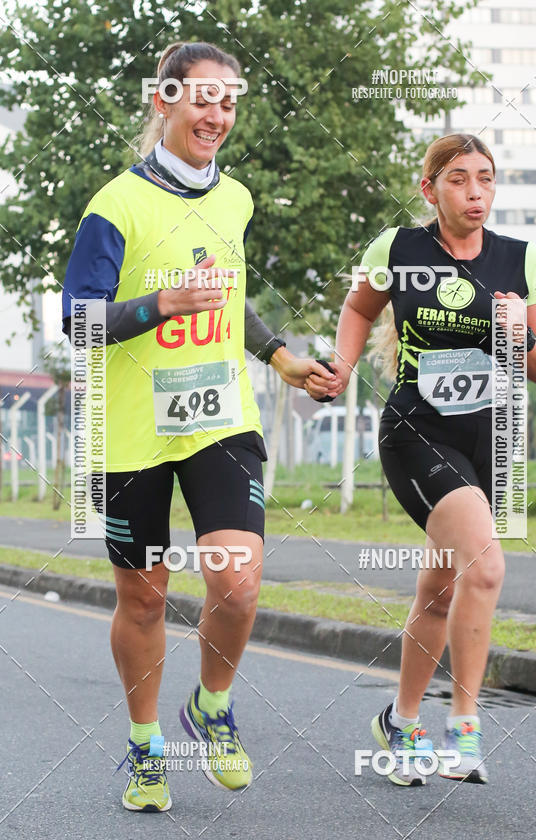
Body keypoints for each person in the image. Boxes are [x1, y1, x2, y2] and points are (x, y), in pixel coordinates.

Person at [62, 41, 335, 812]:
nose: (217, 115)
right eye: (202, 99)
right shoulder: (114, 206)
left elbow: (228, 296)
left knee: (237, 582)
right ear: (164, 101)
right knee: (145, 600)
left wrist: (280, 357)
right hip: (129, 432)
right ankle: (147, 748)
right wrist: (162, 304)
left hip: (219, 417)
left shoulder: (235, 199)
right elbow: (78, 323)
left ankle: (210, 706)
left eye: (228, 101)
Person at [306, 133, 536, 786]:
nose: (475, 192)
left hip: (489, 441)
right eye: (458, 179)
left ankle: (402, 721)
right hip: (417, 432)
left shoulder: (522, 260)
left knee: (441, 587)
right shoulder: (398, 249)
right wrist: (343, 366)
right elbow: (359, 307)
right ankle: (464, 729)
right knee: (485, 566)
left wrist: (519, 334)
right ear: (430, 189)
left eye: (485, 178)